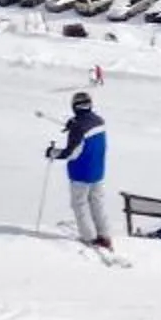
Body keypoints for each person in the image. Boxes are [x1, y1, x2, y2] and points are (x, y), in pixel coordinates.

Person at [51, 92, 115, 248]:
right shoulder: (99, 121)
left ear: (74, 107)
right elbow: (87, 130)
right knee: (97, 203)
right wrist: (74, 124)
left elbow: (72, 152)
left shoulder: (78, 127)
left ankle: (89, 237)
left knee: (80, 204)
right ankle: (104, 234)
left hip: (81, 173)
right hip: (97, 171)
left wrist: (53, 153)